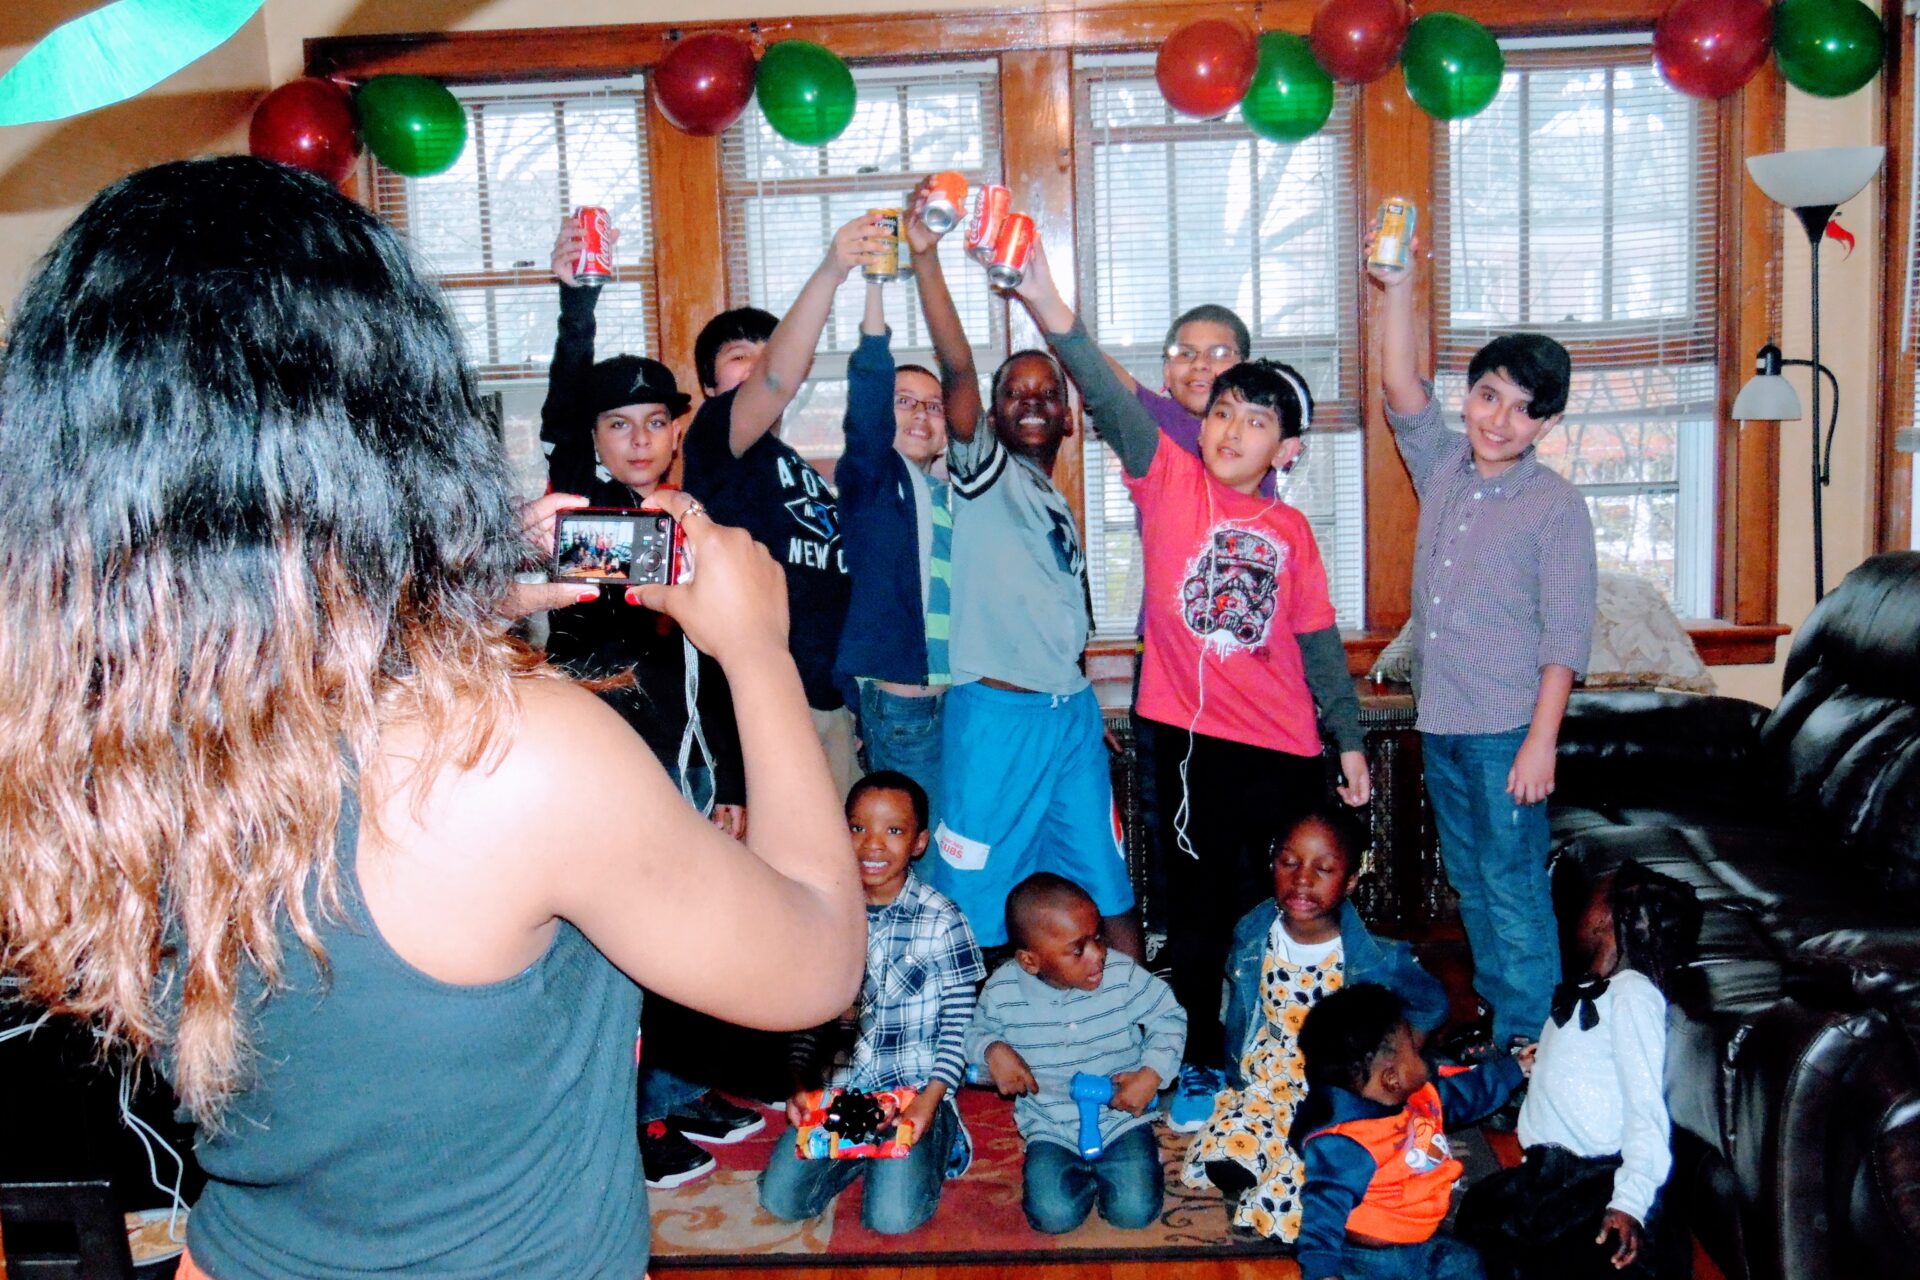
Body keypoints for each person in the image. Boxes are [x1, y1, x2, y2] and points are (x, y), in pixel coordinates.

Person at [0, 156, 866, 1280]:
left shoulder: (74, 740)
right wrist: (755, 648)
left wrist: (425, 598)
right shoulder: (508, 755)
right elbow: (812, 962)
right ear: (384, 423)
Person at [1009, 235, 1368, 1127]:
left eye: (1255, 420)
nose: (1230, 429)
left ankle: (1289, 1055)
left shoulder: (1293, 536)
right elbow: (1094, 376)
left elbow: (1320, 647)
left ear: (1285, 450)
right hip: (1188, 749)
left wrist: (1350, 742)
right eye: (1223, 411)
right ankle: (1202, 1061)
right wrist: (1041, 292)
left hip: (1285, 752)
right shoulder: (1164, 475)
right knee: (1199, 919)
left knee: (1281, 914)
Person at [538, 217, 762, 1189]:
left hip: (690, 765)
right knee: (612, 943)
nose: (638, 438)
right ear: (591, 439)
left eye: (654, 421)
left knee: (686, 930)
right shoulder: (581, 519)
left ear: (678, 427)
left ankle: (674, 1083)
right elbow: (559, 409)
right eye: (616, 423)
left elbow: (725, 659)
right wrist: (578, 302)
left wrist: (737, 778)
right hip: (602, 775)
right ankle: (626, 1118)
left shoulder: (690, 516)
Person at [1370, 232, 1598, 1058]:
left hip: (1509, 731)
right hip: (1444, 723)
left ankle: (1534, 1045)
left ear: (1549, 422)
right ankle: (1509, 1025)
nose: (1502, 420)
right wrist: (1397, 285)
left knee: (1510, 887)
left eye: (1526, 408)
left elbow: (1565, 636)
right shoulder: (1443, 466)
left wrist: (1542, 743)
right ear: (1471, 395)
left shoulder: (1556, 508)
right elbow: (1400, 386)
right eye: (1490, 396)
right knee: (1469, 882)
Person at [909, 234, 1142, 960]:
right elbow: (956, 366)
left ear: (1070, 418)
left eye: (1050, 394)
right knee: (973, 900)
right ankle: (961, 1056)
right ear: (994, 415)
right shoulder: (985, 476)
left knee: (1102, 886)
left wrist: (1076, 699)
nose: (1034, 403)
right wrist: (924, 258)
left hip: (1065, 716)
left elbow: (1057, 617)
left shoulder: (1057, 502)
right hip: (995, 721)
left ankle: (1149, 1041)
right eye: (1017, 393)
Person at [680, 212, 895, 798]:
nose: (755, 366)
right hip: (768, 702)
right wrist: (832, 270)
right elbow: (775, 381)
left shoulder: (794, 467)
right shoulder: (715, 438)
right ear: (709, 384)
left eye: (765, 351)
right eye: (738, 357)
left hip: (831, 703)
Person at [1180, 806, 1449, 1238]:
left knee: (1315, 1174)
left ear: (1350, 882)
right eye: (1288, 863)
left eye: (1322, 869)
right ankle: (1252, 1167)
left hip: (1332, 1088)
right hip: (1267, 1079)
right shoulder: (1254, 931)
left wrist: (1398, 1055)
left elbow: (1430, 1003)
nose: (1302, 879)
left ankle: (1297, 1182)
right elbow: (1240, 1004)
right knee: (1227, 1160)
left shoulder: (1378, 956)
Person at [759, 771, 984, 1233]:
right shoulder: (824, 912)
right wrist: (801, 1085)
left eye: (894, 831)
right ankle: (864, 1152)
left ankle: (939, 1138)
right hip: (842, 1095)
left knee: (892, 1218)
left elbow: (959, 1026)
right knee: (781, 1199)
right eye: (857, 828)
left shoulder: (942, 920)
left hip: (913, 1093)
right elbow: (806, 1014)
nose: (872, 845)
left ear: (919, 842)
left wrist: (928, 1100)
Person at [1456, 862, 1702, 1279]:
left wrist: (1629, 1200)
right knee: (1484, 1219)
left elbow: (1646, 1110)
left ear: (1608, 920)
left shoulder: (1633, 995)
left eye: (1592, 897)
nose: (1579, 909)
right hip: (1547, 1176)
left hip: (1596, 1181)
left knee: (1585, 1261)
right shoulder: (1591, 990)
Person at [964, 873, 1186, 1234]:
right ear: (1030, 961)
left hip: (1120, 1117)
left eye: (1098, 936)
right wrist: (991, 1049)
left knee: (1133, 1211)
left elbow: (1169, 1016)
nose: (1098, 953)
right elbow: (973, 1032)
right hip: (1050, 1125)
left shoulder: (1121, 974)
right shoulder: (1002, 990)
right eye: (1078, 948)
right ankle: (1081, 1176)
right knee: (1052, 1216)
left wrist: (1152, 1073)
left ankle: (1137, 1162)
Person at [833, 215, 956, 820]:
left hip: (956, 698)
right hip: (902, 703)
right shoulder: (873, 476)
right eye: (904, 403)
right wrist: (876, 290)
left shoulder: (948, 492)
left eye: (933, 406)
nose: (921, 415)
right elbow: (867, 398)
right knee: (915, 846)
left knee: (951, 841)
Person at [1292, 985, 1531, 1280]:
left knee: (1466, 1262)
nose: (1426, 1055)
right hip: (1367, 1261)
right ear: (1392, 1079)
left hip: (1424, 1241)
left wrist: (1514, 1068)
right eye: (1416, 1051)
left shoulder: (1419, 1098)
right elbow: (1322, 1212)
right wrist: (1322, 1272)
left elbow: (1464, 1095)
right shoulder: (1349, 1141)